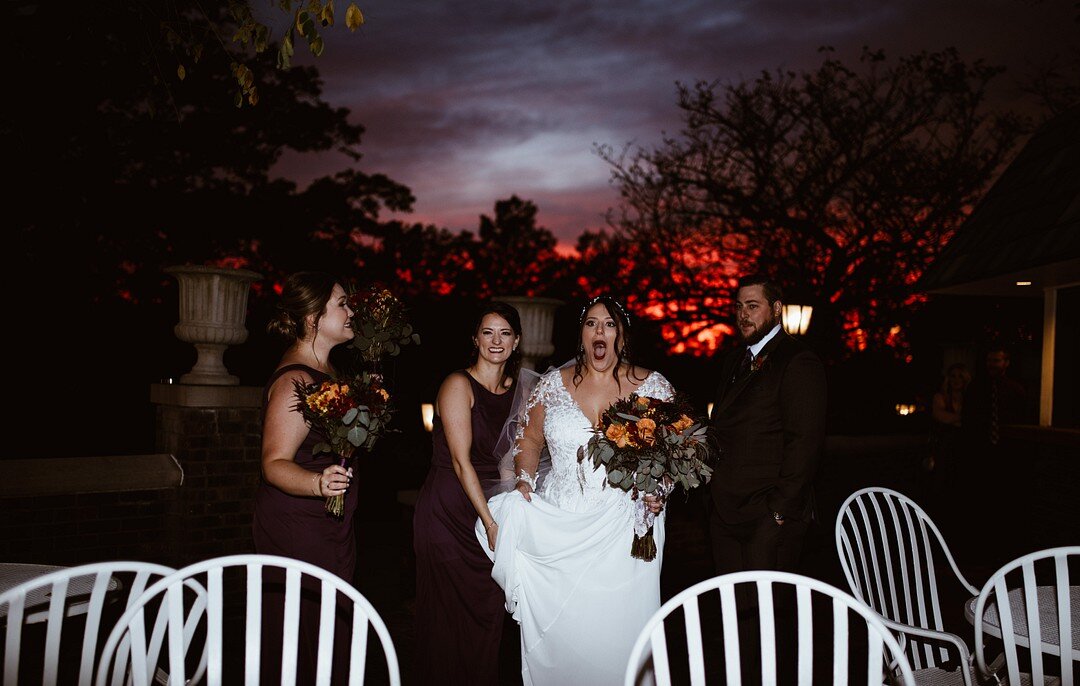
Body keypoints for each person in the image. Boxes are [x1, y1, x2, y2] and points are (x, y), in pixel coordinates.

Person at [479, 295, 671, 686]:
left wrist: (659, 490)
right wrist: (523, 481)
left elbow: (672, 454)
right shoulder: (552, 385)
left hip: (627, 528)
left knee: (619, 635)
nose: (600, 331)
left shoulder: (654, 386)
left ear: (623, 335)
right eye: (592, 324)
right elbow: (529, 441)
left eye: (610, 324)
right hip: (561, 523)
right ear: (582, 334)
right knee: (563, 636)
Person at [252, 271, 358, 684]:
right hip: (299, 528)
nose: (351, 313)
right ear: (313, 317)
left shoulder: (327, 370)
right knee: (302, 635)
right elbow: (274, 462)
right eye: (343, 304)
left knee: (328, 633)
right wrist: (318, 484)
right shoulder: (296, 380)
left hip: (328, 525)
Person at [412, 301, 522, 685]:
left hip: (491, 511)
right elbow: (462, 463)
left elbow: (511, 462)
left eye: (505, 333)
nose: (496, 341)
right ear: (474, 339)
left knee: (489, 614)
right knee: (446, 622)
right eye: (488, 332)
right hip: (449, 511)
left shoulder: (520, 390)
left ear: (516, 341)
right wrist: (491, 522)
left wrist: (513, 509)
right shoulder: (457, 384)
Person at [706, 274, 827, 576]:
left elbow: (804, 441)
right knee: (734, 611)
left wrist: (779, 511)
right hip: (725, 512)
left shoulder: (797, 360)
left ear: (776, 309)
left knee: (768, 614)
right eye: (738, 307)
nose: (743, 315)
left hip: (767, 517)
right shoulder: (734, 361)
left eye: (752, 306)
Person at [926, 362, 970, 506]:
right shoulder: (940, 397)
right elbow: (941, 416)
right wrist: (959, 419)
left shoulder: (970, 399)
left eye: (960, 376)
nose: (956, 380)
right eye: (953, 376)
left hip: (963, 448)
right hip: (943, 448)